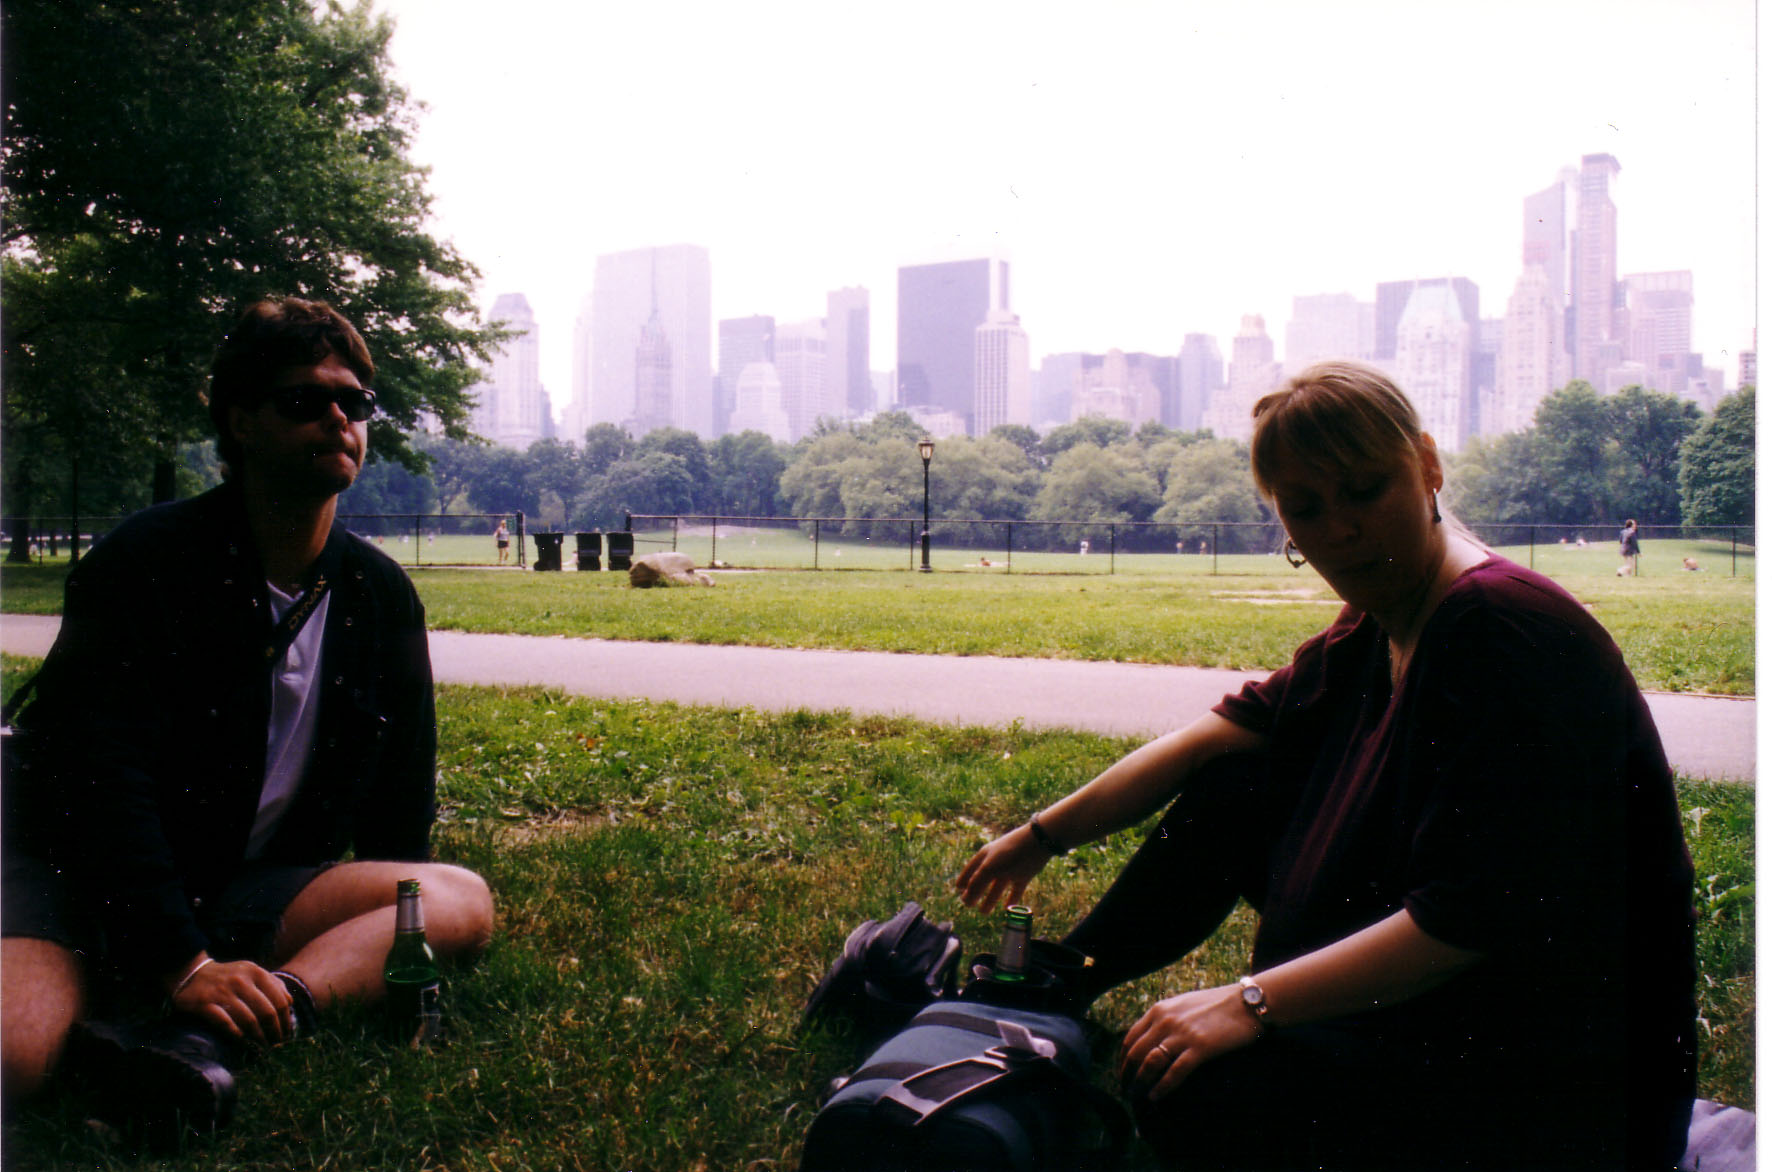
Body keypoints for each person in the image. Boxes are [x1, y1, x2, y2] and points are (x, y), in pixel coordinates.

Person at [955, 360, 1696, 1171]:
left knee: (1198, 1094)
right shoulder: (1383, 618)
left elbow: (1471, 920)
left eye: (1366, 490)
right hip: (1453, 1009)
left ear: (1428, 466)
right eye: (1306, 509)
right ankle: (1064, 984)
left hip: (1556, 1079)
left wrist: (1250, 1003)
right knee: (1236, 784)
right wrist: (1039, 837)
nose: (1341, 530)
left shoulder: (1499, 629)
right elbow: (1207, 741)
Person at [2, 298, 495, 1147]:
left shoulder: (379, 595)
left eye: (355, 401)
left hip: (240, 888)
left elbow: (400, 806)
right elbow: (101, 783)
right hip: (74, 876)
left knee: (452, 899)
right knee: (15, 1056)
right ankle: (140, 1006)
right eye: (304, 400)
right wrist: (181, 961)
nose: (338, 418)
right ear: (241, 423)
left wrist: (395, 945)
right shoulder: (145, 564)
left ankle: (217, 1034)